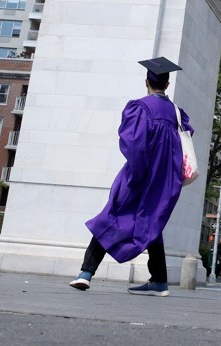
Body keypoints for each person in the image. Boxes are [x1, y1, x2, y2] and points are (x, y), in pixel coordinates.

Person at [68, 57, 194, 297]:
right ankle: (159, 281)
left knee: (111, 216)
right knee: (151, 222)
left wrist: (135, 175)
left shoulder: (140, 107)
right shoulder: (178, 114)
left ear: (146, 81)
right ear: (167, 85)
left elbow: (133, 144)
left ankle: (86, 272)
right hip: (165, 181)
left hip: (140, 175)